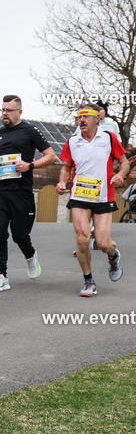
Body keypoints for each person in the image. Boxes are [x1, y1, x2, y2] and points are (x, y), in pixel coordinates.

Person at [0, 95, 58, 292]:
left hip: (22, 193)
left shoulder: (30, 131)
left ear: (19, 112)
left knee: (19, 235)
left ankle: (30, 255)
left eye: (8, 110)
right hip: (0, 191)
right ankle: (1, 276)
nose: (4, 114)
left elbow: (51, 156)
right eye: (3, 110)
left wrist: (30, 165)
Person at [56, 104, 128, 296]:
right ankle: (89, 282)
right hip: (79, 195)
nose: (82, 120)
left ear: (97, 119)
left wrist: (120, 174)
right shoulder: (72, 141)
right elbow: (66, 167)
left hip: (103, 196)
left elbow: (125, 162)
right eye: (79, 117)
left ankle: (113, 256)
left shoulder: (109, 138)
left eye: (86, 116)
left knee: (104, 244)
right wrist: (62, 182)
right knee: (82, 239)